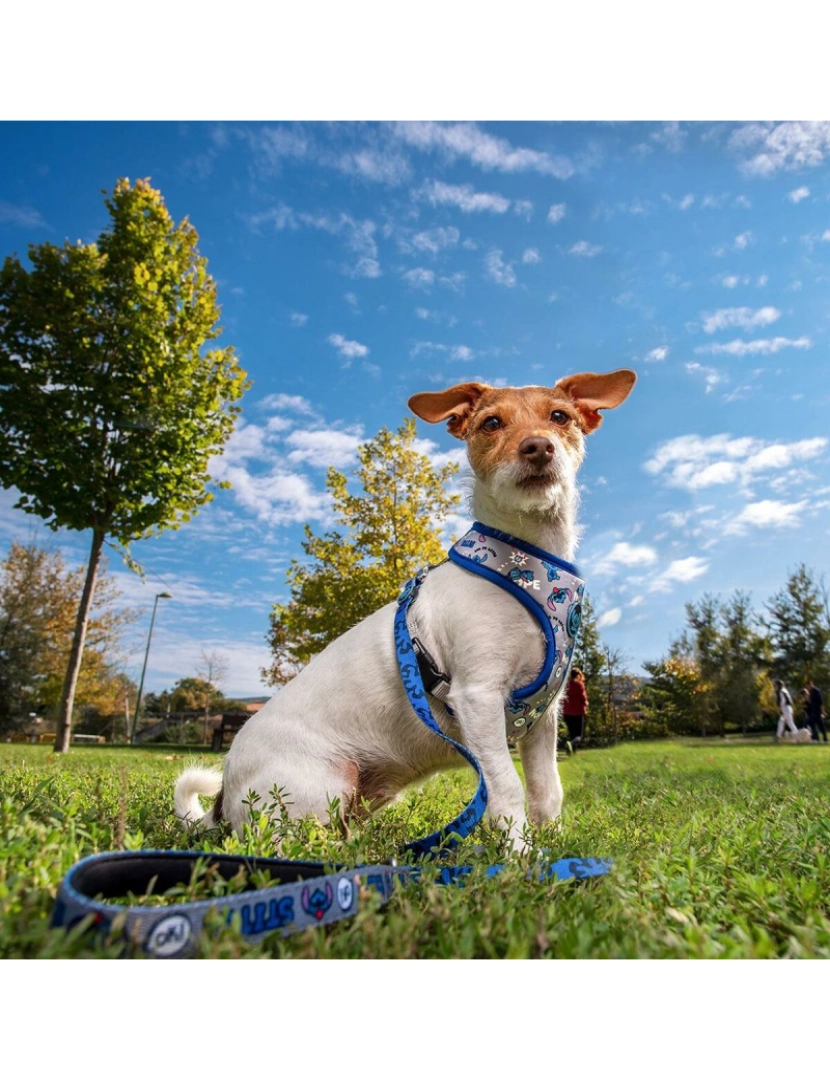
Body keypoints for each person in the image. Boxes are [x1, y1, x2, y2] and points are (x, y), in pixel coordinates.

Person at [562, 667, 588, 752]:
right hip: (577, 713)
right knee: (578, 736)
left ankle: (572, 752)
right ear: (578, 675)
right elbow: (583, 698)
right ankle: (571, 743)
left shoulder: (566, 685)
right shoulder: (579, 685)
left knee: (572, 734)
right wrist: (586, 704)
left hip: (567, 713)